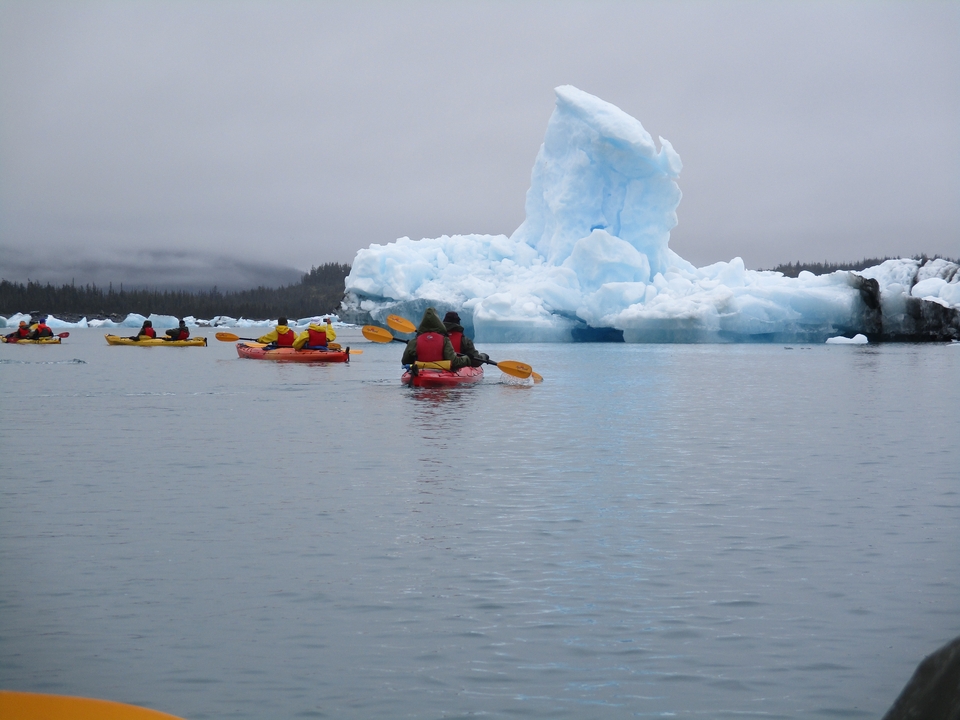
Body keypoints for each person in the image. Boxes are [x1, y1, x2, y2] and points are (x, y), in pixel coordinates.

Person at [401, 307, 471, 370]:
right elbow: (454, 362)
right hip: (440, 372)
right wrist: (467, 358)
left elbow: (405, 361)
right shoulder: (445, 340)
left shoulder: (414, 341)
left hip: (419, 373)